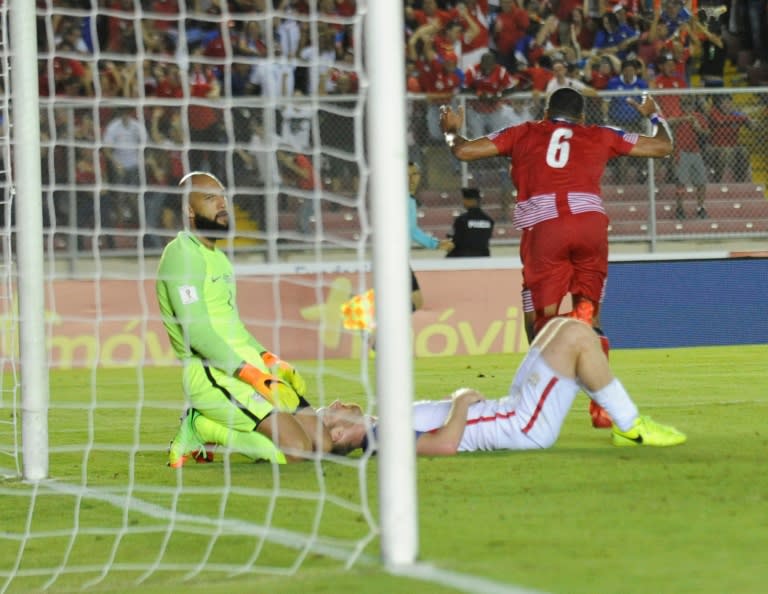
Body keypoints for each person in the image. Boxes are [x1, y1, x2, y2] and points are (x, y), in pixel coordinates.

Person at [439, 87, 673, 428]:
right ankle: (604, 409)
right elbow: (663, 146)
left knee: (541, 326)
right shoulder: (600, 134)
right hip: (591, 225)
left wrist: (450, 128)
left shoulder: (523, 132)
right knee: (587, 317)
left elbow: (462, 151)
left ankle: (534, 405)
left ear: (546, 112)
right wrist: (654, 114)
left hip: (546, 228)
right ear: (581, 117)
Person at [157, 171, 331, 467]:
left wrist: (269, 359)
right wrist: (249, 373)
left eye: (223, 197)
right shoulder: (182, 255)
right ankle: (201, 425)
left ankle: (219, 423)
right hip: (213, 372)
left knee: (323, 445)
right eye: (210, 199)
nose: (222, 204)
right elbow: (197, 334)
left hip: (249, 364)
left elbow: (232, 326)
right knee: (297, 450)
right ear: (189, 210)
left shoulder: (219, 259)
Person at [319, 317, 687, 456]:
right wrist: (461, 400)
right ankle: (632, 426)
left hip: (510, 410)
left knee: (559, 327)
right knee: (575, 335)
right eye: (328, 411)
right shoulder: (380, 439)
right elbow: (444, 445)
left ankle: (623, 420)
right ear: (337, 434)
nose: (336, 401)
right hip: (523, 425)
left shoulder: (382, 426)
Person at [408, 162, 453, 311]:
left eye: (414, 174)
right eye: (407, 175)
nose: (411, 179)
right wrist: (435, 244)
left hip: (397, 260)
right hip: (393, 261)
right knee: (415, 300)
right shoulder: (399, 199)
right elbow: (411, 230)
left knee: (416, 301)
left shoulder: (407, 198)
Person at [446, 187, 494, 258]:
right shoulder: (489, 220)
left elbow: (453, 239)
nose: (464, 202)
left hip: (462, 255)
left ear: (472, 201)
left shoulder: (462, 220)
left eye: (465, 199)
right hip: (483, 255)